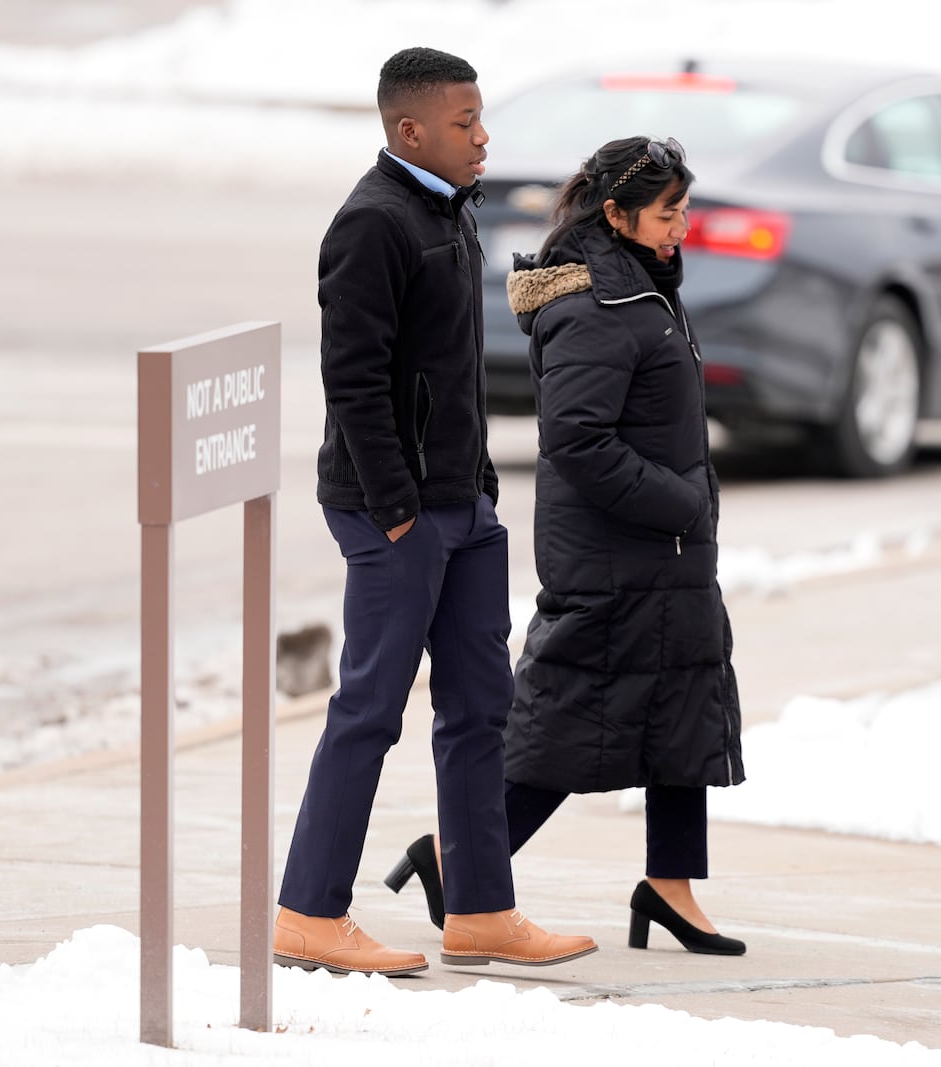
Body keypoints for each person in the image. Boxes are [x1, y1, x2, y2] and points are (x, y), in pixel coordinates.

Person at [272, 46, 597, 976]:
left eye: (481, 118)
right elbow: (355, 381)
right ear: (411, 130)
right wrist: (398, 509)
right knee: (371, 707)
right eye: (466, 123)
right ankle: (308, 911)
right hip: (398, 514)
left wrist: (480, 489)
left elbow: (452, 377)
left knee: (480, 708)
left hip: (465, 503)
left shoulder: (449, 211)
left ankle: (482, 909)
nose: (484, 136)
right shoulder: (372, 224)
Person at [386, 135, 747, 956]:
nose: (681, 226)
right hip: (618, 555)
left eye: (685, 209)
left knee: (679, 706)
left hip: (667, 550)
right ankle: (454, 860)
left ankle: (670, 885)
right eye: (667, 212)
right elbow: (578, 442)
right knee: (570, 724)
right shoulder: (593, 305)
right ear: (616, 214)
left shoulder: (639, 286)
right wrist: (683, 502)